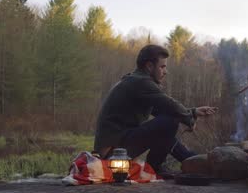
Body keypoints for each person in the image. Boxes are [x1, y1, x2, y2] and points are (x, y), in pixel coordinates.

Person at [93, 44, 217, 175]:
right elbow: (169, 105)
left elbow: (163, 110)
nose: (165, 71)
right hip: (113, 153)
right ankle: (157, 167)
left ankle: (189, 159)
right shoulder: (141, 82)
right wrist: (189, 118)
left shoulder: (135, 80)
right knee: (170, 121)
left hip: (117, 147)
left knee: (167, 123)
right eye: (162, 67)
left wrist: (193, 112)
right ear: (149, 66)